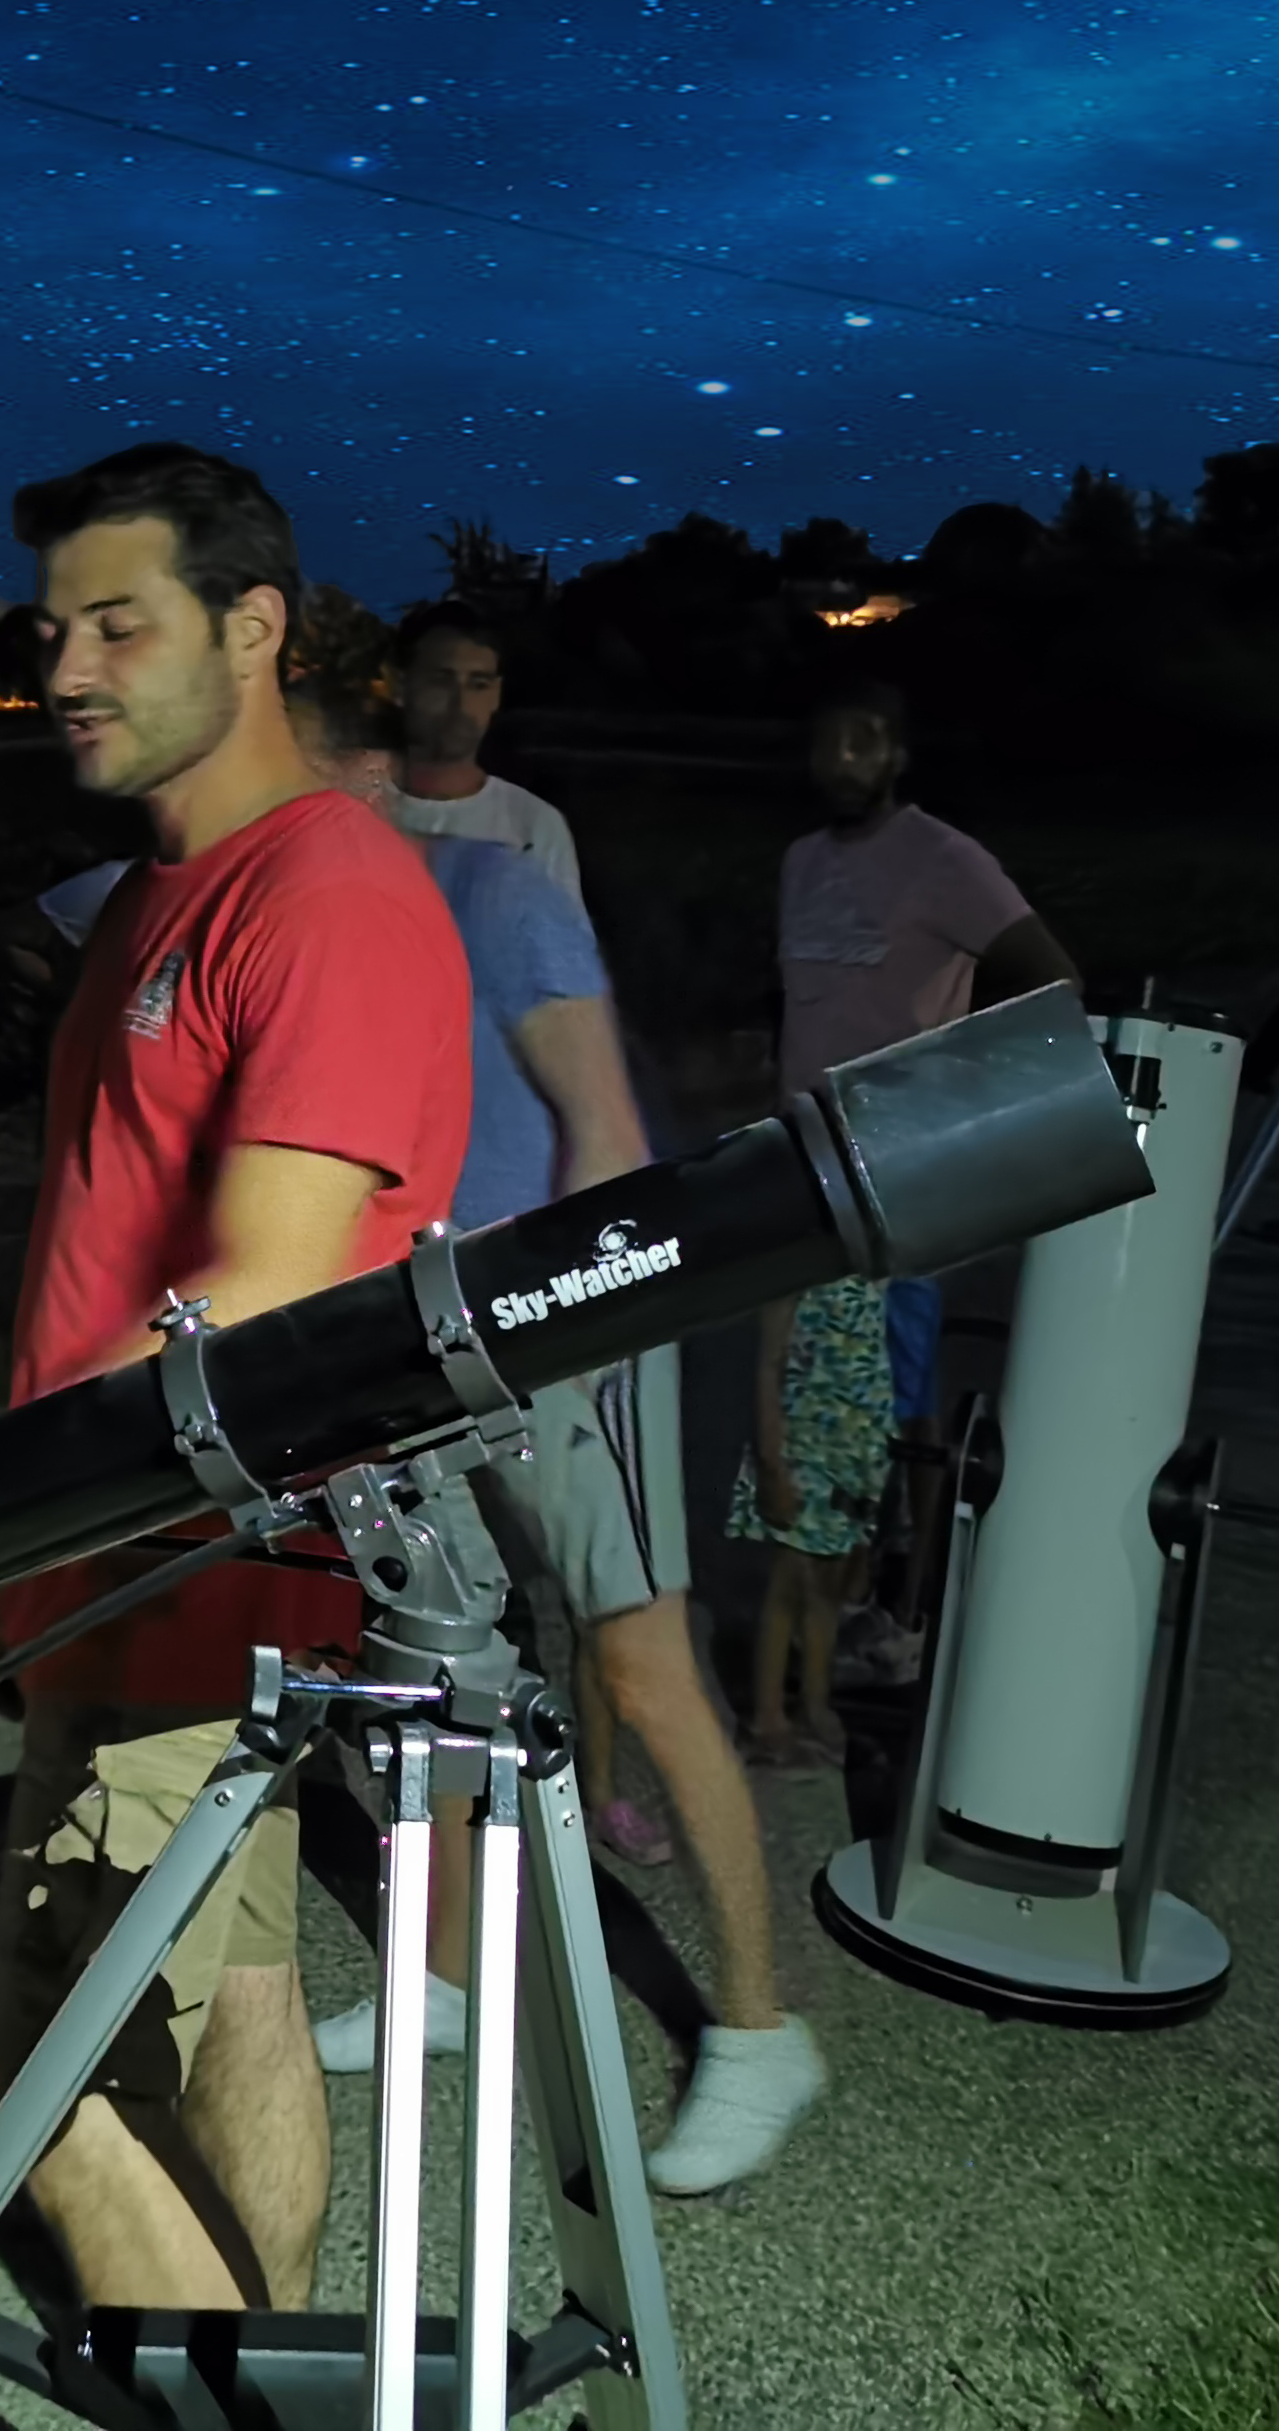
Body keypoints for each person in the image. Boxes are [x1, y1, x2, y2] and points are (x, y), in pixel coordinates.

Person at [0, 442, 471, 2315]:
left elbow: (259, 1293)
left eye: (119, 623)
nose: (65, 671)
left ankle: (258, 2390)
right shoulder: (144, 901)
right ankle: (271, 2365)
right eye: (51, 631)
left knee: (72, 2082)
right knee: (205, 2008)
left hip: (187, 1561)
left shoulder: (321, 889)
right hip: (105, 1557)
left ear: (252, 628)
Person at [285, 675, 823, 2194]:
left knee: (644, 1667)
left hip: (563, 1333)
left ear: (374, 770)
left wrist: (565, 1343)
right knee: (435, 1662)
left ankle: (765, 2032)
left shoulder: (495, 891)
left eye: (306, 770)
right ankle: (448, 1982)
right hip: (409, 1341)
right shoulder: (311, 916)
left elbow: (610, 1137)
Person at [740, 676, 1078, 1756]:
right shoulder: (802, 860)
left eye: (866, 742)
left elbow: (1044, 972)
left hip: (898, 1170)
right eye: (828, 740)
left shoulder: (946, 860)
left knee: (903, 1401)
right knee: (805, 1389)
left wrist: (952, 1111)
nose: (844, 759)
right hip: (804, 1165)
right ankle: (806, 1629)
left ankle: (900, 1612)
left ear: (896, 756)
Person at [383, 602, 581, 899]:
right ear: (400, 686)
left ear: (496, 695)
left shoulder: (532, 825)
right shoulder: (356, 808)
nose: (460, 704)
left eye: (478, 685)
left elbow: (563, 941)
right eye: (441, 680)